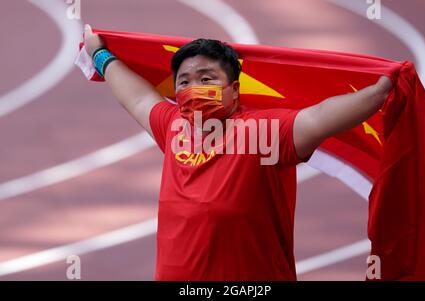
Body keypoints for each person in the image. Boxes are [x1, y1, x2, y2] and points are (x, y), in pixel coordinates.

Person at [82, 24, 392, 280]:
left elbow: (319, 117)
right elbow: (135, 98)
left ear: (234, 89)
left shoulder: (265, 131)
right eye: (184, 82)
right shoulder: (173, 125)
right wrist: (99, 54)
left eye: (206, 79)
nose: (193, 89)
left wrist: (379, 92)